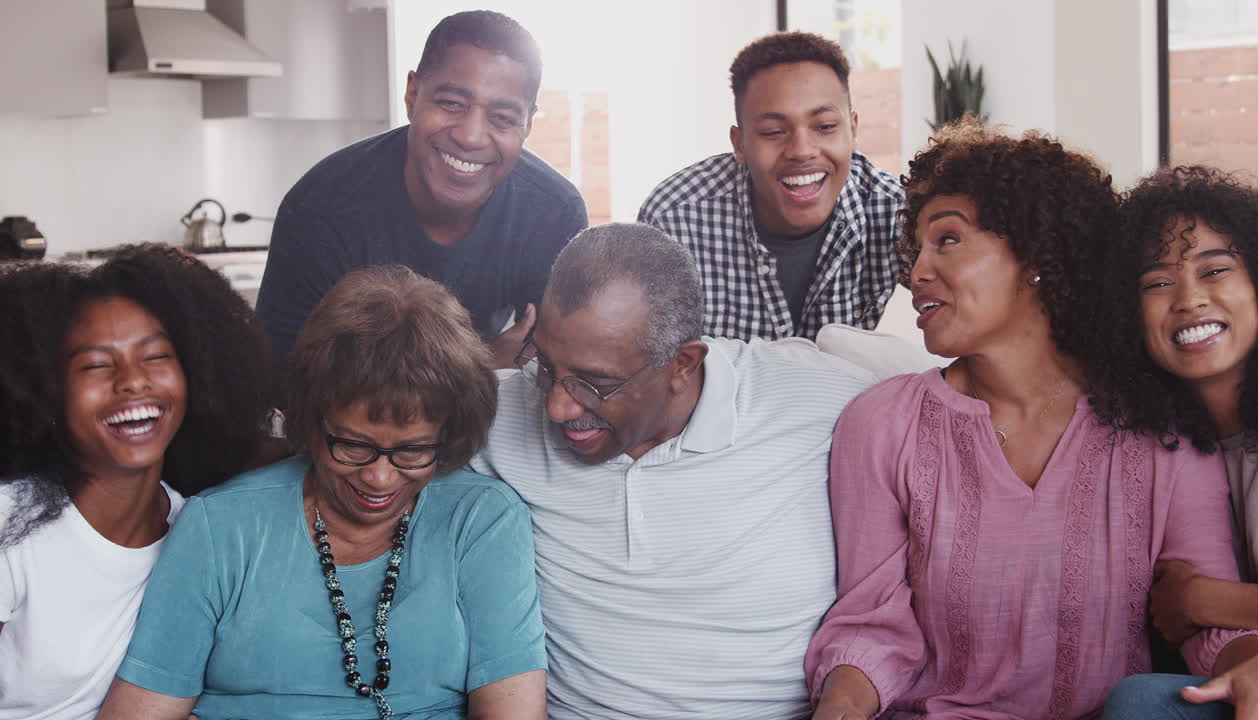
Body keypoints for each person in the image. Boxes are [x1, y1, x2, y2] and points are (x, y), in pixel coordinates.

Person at [803, 121, 1258, 720]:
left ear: (1036, 255)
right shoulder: (882, 424)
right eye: (917, 249)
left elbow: (1203, 626)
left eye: (947, 240)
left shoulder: (1159, 427)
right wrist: (839, 708)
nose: (917, 272)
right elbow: (873, 627)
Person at [97, 266, 546, 720]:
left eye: (412, 451)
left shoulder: (480, 519)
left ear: (448, 435)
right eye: (353, 445)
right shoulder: (219, 526)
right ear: (314, 421)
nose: (379, 479)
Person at [469, 222, 876, 719]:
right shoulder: (498, 415)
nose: (557, 406)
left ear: (683, 364)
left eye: (594, 384)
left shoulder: (821, 400)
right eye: (547, 367)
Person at [0, 244, 274, 720]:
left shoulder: (198, 533)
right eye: (95, 365)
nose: (133, 381)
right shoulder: (11, 524)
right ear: (44, 390)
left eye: (156, 356)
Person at [257, 10, 588, 374]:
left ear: (527, 124)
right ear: (413, 94)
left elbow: (560, 367)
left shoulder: (553, 212)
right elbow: (285, 378)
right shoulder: (320, 208)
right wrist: (478, 369)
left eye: (503, 118)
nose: (471, 137)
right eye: (451, 103)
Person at [1095, 167, 1258, 720]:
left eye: (1215, 270)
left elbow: (1186, 605)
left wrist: (1205, 599)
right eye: (1157, 283)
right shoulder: (1157, 450)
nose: (1189, 299)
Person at [638, 31, 903, 341]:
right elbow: (640, 354)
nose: (802, 150)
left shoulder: (892, 211)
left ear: (853, 130)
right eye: (774, 131)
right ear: (739, 144)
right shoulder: (672, 222)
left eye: (825, 126)